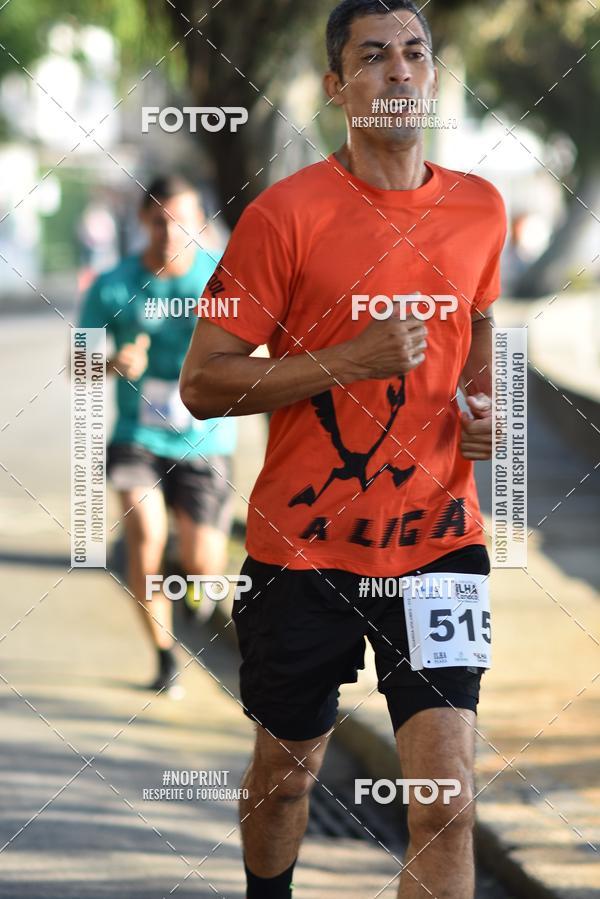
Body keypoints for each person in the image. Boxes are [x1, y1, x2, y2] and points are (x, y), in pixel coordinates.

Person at [180, 0, 506, 895]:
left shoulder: (481, 209)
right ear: (337, 86)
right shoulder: (285, 217)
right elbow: (203, 381)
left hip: (441, 543)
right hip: (302, 548)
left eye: (413, 53)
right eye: (373, 57)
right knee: (286, 784)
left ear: (432, 73)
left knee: (445, 799)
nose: (398, 71)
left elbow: (478, 323)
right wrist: (347, 361)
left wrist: (484, 407)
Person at [79, 175, 236, 695]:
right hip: (137, 434)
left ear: (200, 225)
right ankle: (166, 657)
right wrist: (110, 362)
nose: (172, 235)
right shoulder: (113, 284)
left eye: (184, 223)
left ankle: (192, 577)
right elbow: (77, 364)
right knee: (144, 543)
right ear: (144, 222)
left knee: (202, 565)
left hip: (205, 437)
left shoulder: (222, 278)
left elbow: (261, 347)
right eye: (161, 222)